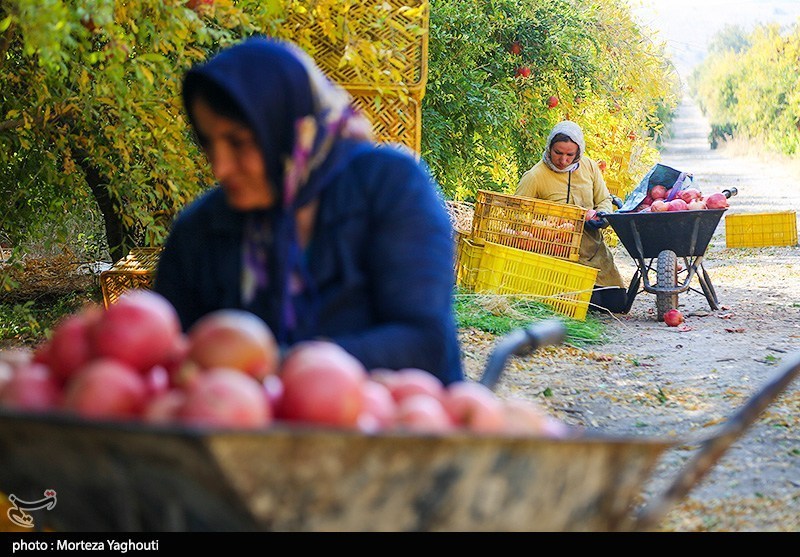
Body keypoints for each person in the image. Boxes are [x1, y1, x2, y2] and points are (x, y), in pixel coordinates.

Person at [153, 36, 463, 385]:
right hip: (241, 431)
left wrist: (278, 366)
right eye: (208, 143)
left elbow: (425, 345)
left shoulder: (390, 187)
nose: (220, 168)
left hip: (393, 427)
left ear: (287, 128)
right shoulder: (203, 230)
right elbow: (167, 352)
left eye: (239, 142)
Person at [514, 120, 627, 313]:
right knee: (589, 304)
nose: (563, 160)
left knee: (617, 304)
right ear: (549, 148)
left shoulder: (589, 167)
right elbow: (517, 214)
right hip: (556, 252)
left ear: (578, 153)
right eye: (558, 153)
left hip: (593, 249)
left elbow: (604, 199)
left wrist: (601, 218)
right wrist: (549, 225)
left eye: (569, 155)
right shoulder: (535, 176)